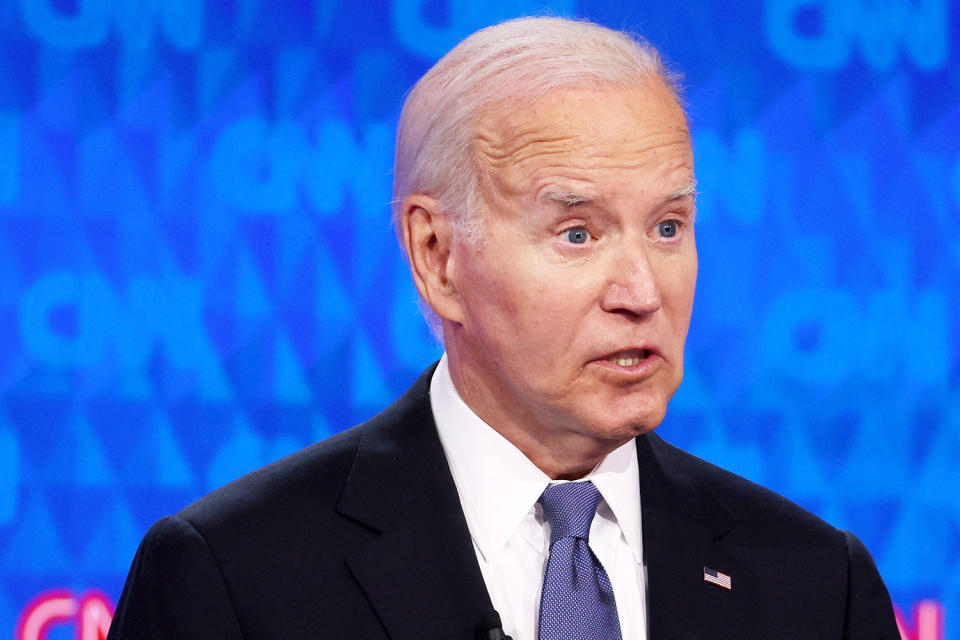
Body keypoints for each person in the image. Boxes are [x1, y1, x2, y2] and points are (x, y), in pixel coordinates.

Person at [107, 17, 900, 640]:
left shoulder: (817, 586)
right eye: (578, 234)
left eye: (667, 227)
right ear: (437, 256)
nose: (640, 291)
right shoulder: (234, 577)